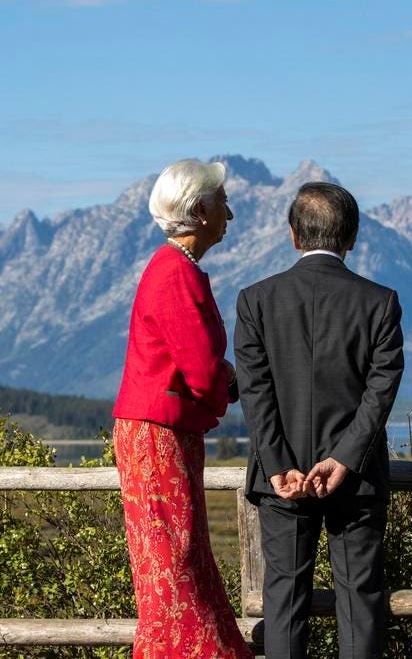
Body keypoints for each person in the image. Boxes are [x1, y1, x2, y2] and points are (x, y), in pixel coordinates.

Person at [235, 182, 405, 659]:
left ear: (293, 234)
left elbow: (255, 392)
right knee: (360, 600)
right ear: (352, 237)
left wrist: (277, 465)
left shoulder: (255, 300)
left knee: (284, 602)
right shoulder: (380, 301)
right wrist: (345, 459)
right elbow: (381, 390)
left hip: (282, 481)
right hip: (356, 479)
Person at [113, 158, 253, 658]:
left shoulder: (175, 268)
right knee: (173, 562)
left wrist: (220, 377)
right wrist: (231, 382)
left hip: (162, 430)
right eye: (222, 202)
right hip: (158, 434)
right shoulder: (175, 272)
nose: (229, 214)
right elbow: (199, 369)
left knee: (174, 557)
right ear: (199, 211)